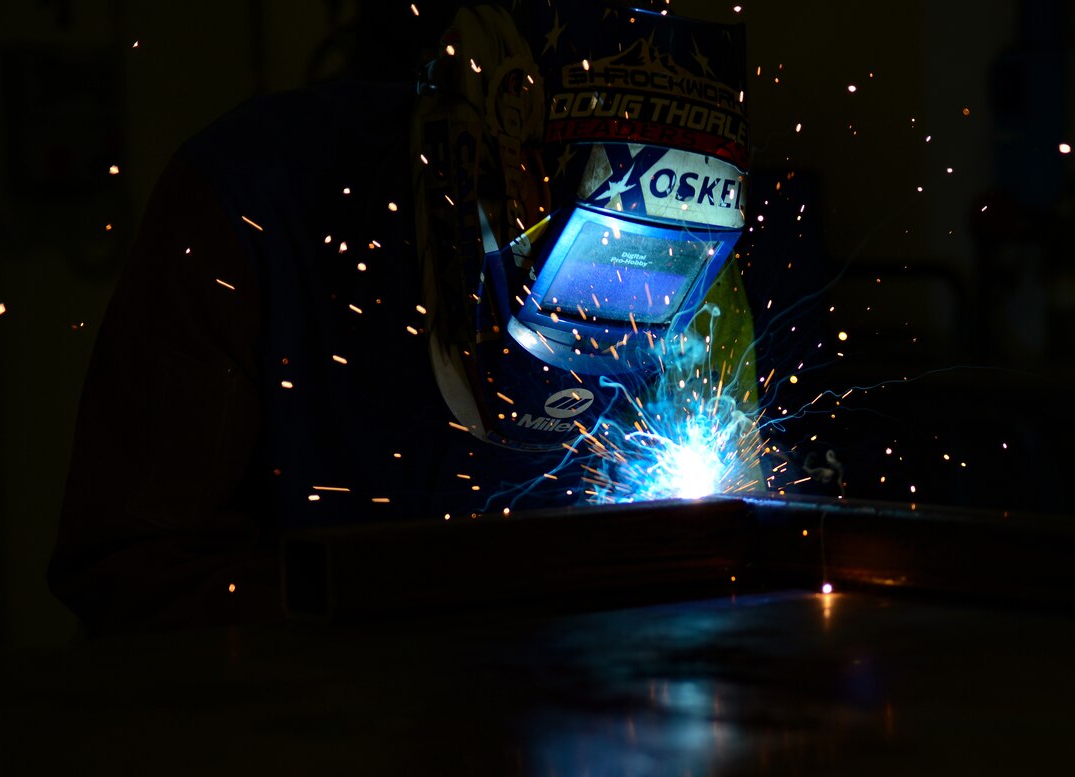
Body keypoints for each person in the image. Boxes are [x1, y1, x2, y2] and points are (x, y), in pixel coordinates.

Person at [48, 0, 759, 633]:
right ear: (495, 164)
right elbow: (134, 574)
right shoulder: (249, 204)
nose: (610, 313)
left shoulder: (697, 277)